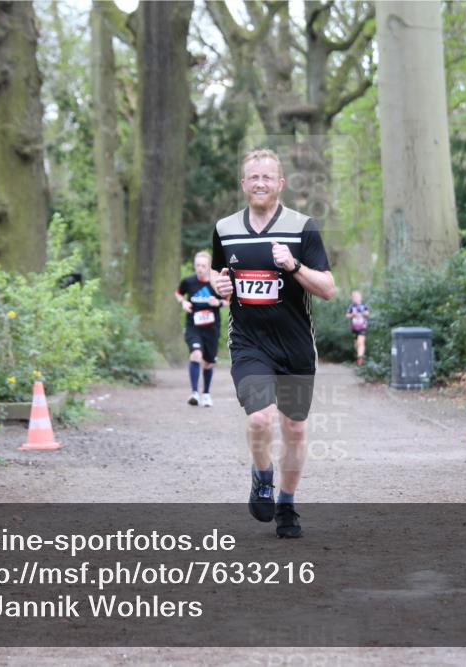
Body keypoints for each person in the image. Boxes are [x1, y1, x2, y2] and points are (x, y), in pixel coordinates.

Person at [211, 148, 336, 538]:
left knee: (295, 430)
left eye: (268, 177)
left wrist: (294, 266)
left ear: (280, 184)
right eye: (254, 177)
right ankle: (263, 474)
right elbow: (222, 280)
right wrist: (220, 287)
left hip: (296, 347)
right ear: (243, 184)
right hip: (249, 344)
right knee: (260, 417)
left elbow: (329, 289)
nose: (260, 183)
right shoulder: (225, 228)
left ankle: (287, 504)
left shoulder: (303, 228)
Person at [175, 251, 225, 407]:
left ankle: (206, 394)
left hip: (211, 328)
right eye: (197, 265)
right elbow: (178, 293)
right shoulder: (188, 282)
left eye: (203, 266)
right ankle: (194, 393)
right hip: (193, 327)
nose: (200, 269)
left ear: (209, 266)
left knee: (208, 362)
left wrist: (218, 303)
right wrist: (183, 303)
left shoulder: (216, 283)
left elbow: (229, 300)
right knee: (196, 355)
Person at [345, 290, 370, 365]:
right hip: (354, 328)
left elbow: (367, 313)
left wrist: (363, 313)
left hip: (362, 327)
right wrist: (352, 314)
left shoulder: (364, 306)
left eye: (357, 296)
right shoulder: (351, 306)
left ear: (361, 298)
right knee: (356, 344)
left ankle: (360, 358)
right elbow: (347, 315)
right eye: (354, 297)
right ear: (352, 299)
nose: (356, 298)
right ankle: (359, 355)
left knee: (361, 341)